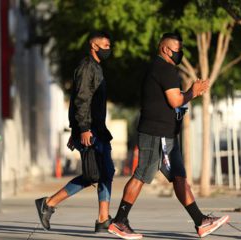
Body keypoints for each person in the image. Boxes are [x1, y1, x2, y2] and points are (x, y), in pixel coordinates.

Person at [108, 33, 229, 239]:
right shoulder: (164, 69)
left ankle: (200, 222)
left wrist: (185, 98)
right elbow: (175, 100)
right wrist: (193, 91)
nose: (179, 53)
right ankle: (119, 221)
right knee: (142, 175)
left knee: (179, 177)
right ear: (165, 49)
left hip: (166, 134)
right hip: (156, 133)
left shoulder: (161, 68)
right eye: (176, 49)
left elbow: (169, 101)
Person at [35, 31, 115, 233]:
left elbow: (81, 102)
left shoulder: (96, 68)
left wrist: (76, 130)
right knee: (94, 174)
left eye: (109, 46)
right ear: (94, 46)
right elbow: (80, 100)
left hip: (97, 128)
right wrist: (83, 129)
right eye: (105, 45)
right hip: (92, 129)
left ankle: (103, 218)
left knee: (104, 172)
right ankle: (49, 203)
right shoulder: (87, 68)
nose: (108, 49)